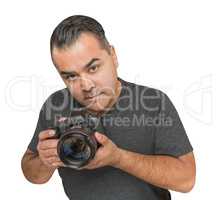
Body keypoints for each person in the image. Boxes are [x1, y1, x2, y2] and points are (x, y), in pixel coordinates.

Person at [21, 15, 196, 200]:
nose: (86, 86)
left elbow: (186, 180)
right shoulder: (55, 105)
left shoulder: (153, 102)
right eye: (71, 76)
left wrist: (119, 158)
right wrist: (45, 160)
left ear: (113, 55)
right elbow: (33, 174)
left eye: (93, 68)